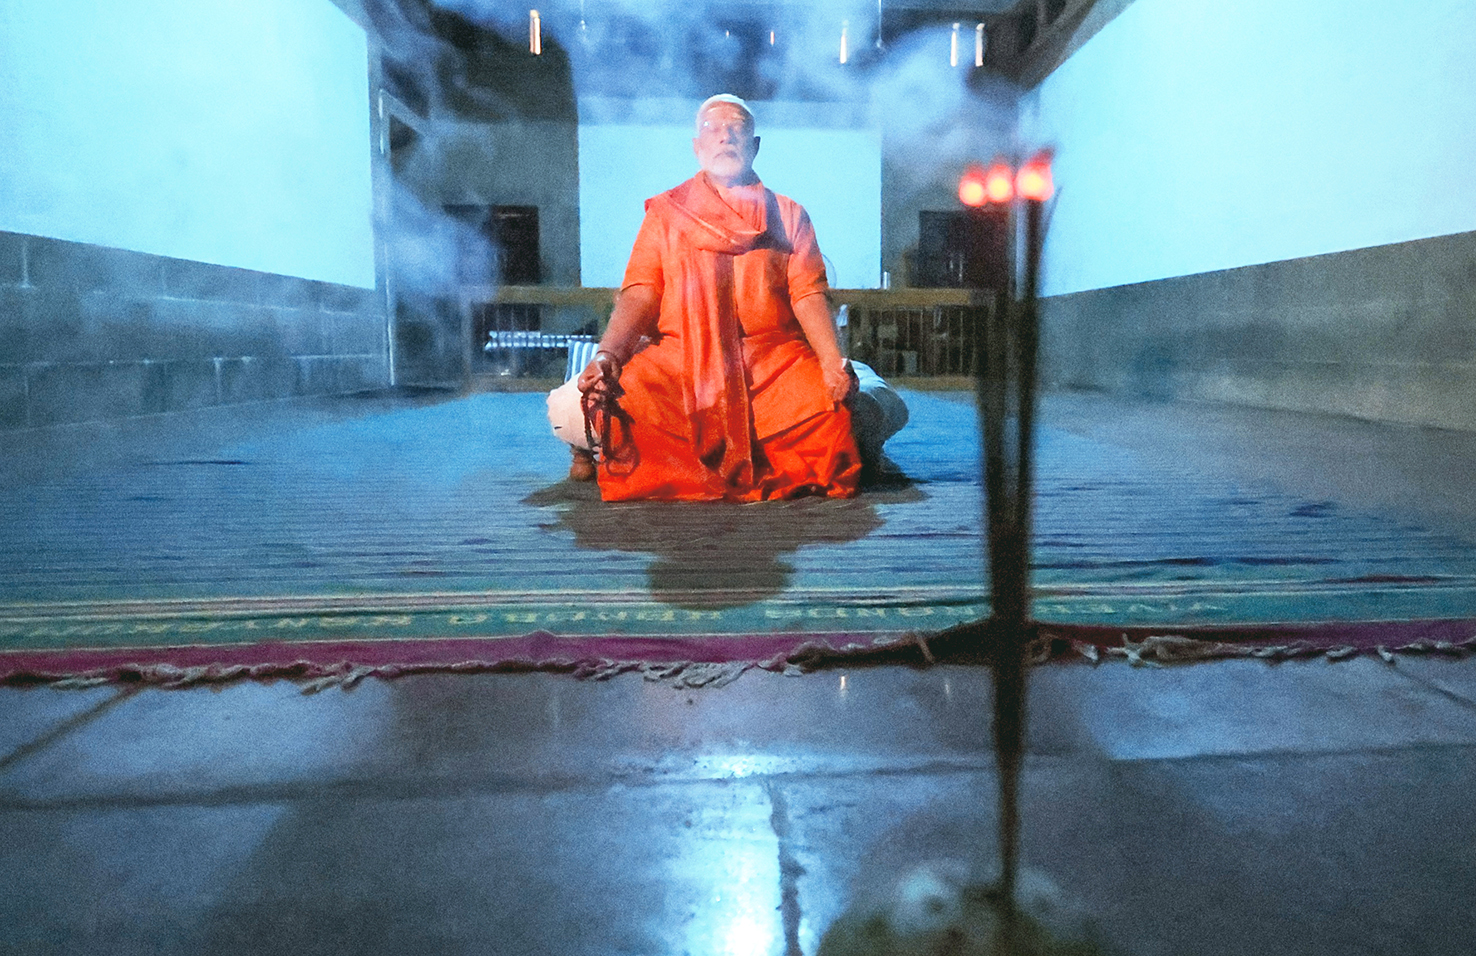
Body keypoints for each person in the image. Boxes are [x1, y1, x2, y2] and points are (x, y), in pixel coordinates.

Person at [547, 94, 904, 501]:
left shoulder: (788, 214)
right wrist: (608, 356)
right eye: (712, 129)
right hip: (680, 361)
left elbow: (808, 292)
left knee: (831, 408)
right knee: (609, 401)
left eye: (736, 128)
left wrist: (830, 362)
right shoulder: (665, 214)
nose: (724, 137)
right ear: (697, 148)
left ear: (754, 146)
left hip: (771, 361)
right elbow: (641, 292)